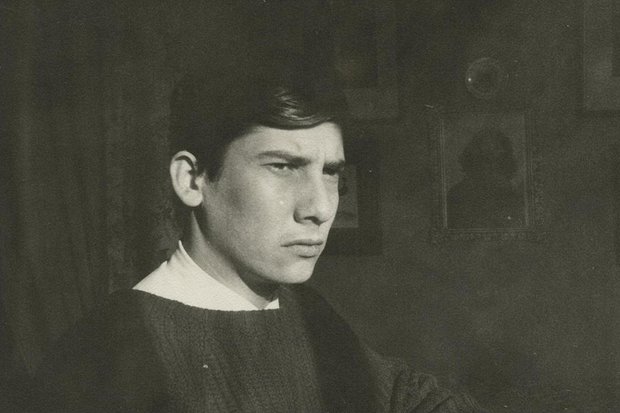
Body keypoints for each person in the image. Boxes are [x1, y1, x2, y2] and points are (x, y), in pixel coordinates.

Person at [35, 64, 484, 412]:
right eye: (283, 167)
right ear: (191, 180)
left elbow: (410, 397)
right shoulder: (105, 355)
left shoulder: (305, 311)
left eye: (331, 173)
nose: (321, 208)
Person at [447, 128, 525, 229]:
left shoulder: (512, 194)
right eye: (486, 160)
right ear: (474, 160)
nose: (491, 167)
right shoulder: (457, 194)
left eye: (498, 160)